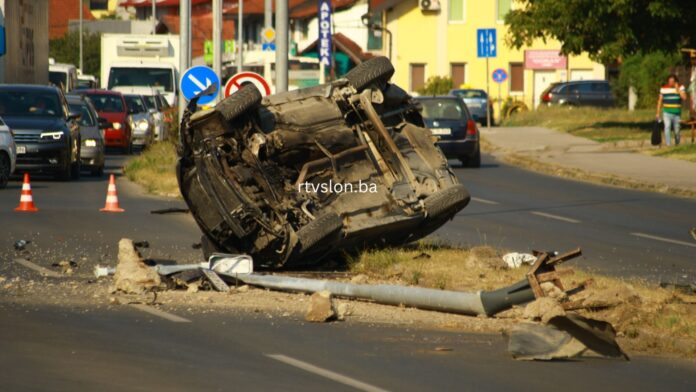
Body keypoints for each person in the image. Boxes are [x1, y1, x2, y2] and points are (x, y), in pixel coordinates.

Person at [656, 74, 687, 146]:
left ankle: (677, 144)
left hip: (677, 113)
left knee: (677, 130)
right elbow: (660, 101)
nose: (671, 83)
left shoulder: (681, 87)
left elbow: (684, 98)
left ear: (676, 82)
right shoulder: (663, 89)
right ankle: (668, 144)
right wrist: (657, 112)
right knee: (667, 127)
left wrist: (678, 90)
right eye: (669, 81)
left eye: (673, 81)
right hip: (666, 112)